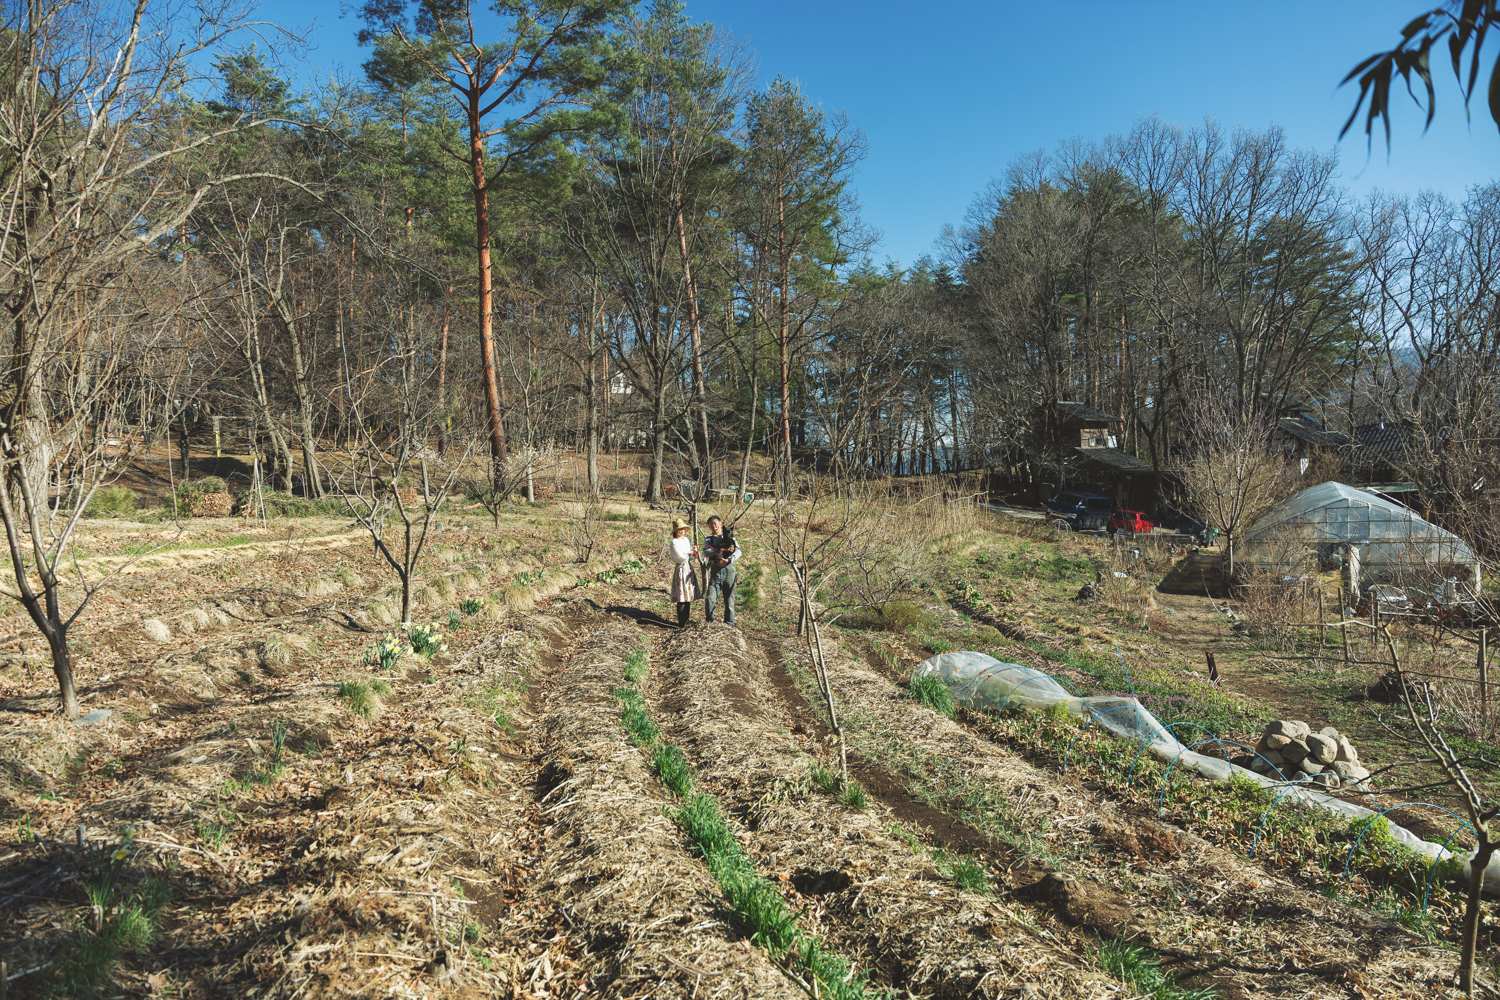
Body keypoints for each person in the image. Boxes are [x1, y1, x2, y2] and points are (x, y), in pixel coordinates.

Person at [701, 515, 739, 625]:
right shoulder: (708, 539)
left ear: (720, 524)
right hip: (715, 571)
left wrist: (729, 560)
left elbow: (738, 551)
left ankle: (729, 624)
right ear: (709, 527)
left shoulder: (731, 537)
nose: (714, 526)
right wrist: (719, 549)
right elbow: (706, 552)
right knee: (710, 598)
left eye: (715, 524)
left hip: (729, 571)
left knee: (729, 599)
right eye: (711, 525)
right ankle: (710, 622)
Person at [665, 518, 700, 627]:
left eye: (683, 529)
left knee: (688, 596)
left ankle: (686, 620)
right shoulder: (674, 543)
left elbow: (690, 557)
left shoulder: (687, 540)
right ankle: (681, 622)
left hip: (688, 568)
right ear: (675, 531)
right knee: (681, 597)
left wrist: (693, 552)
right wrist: (690, 552)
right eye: (680, 529)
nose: (682, 531)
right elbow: (680, 557)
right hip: (681, 569)